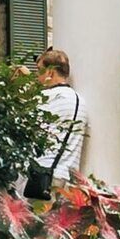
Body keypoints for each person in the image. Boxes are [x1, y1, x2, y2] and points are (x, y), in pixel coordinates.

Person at [33, 47, 87, 188]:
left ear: (50, 72)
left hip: (42, 175)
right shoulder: (79, 100)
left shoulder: (43, 99)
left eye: (39, 70)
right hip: (68, 178)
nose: (36, 75)